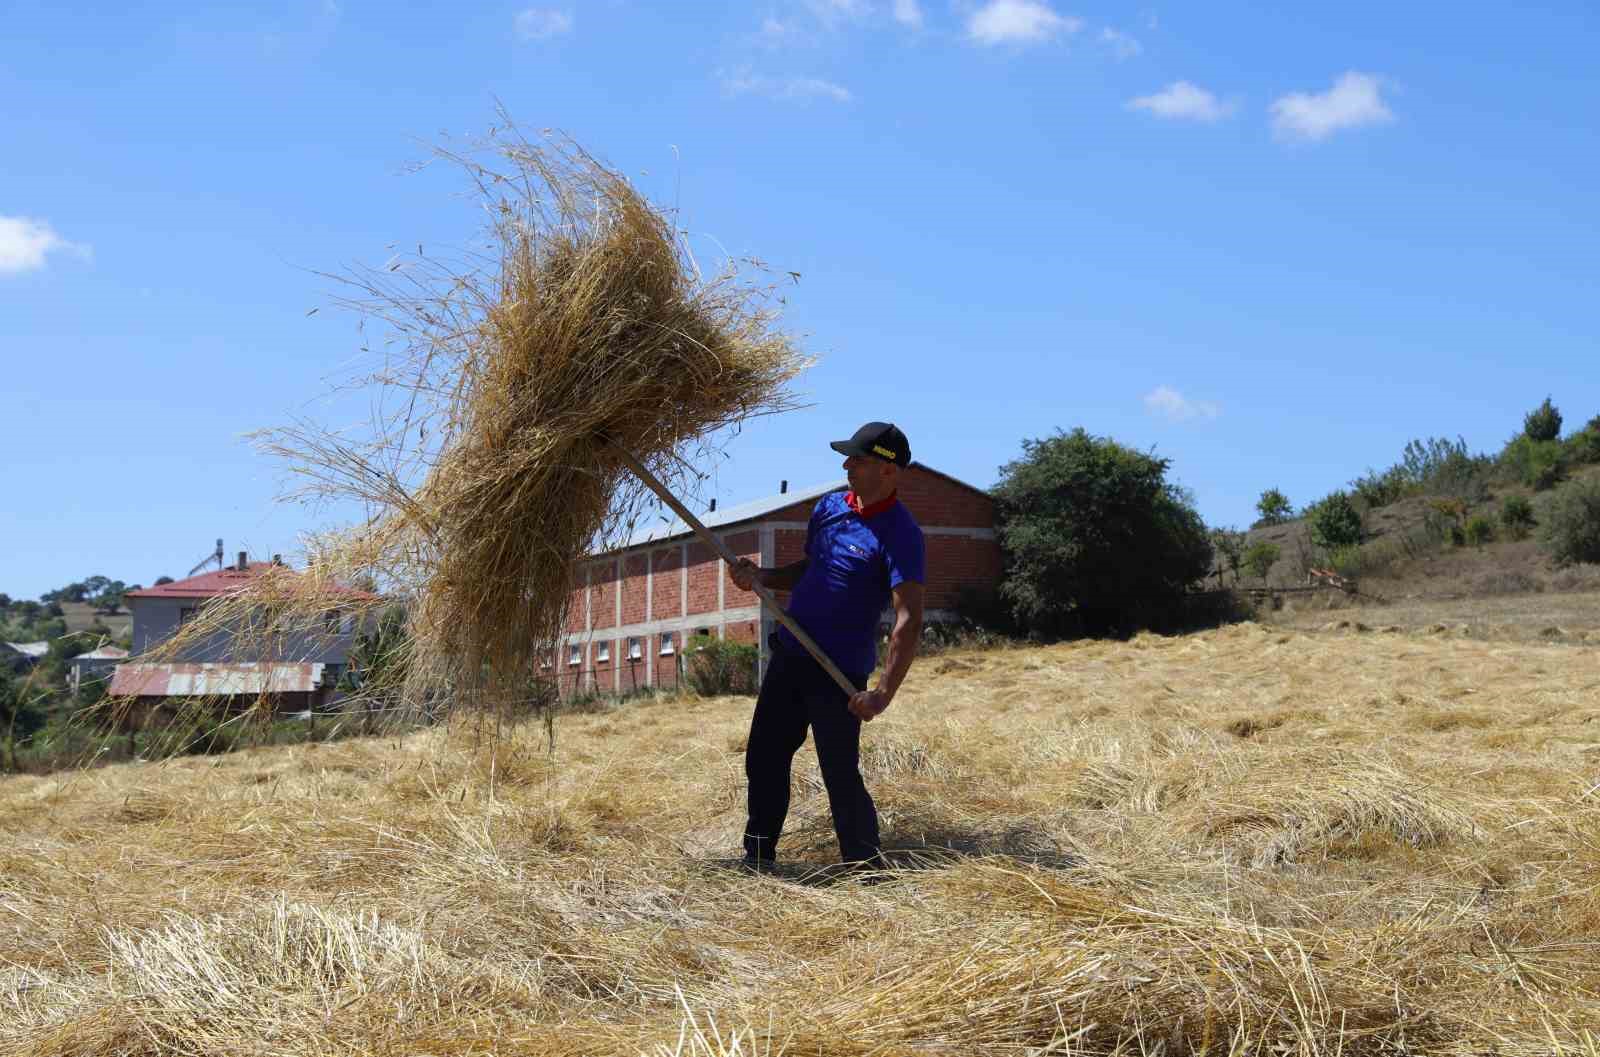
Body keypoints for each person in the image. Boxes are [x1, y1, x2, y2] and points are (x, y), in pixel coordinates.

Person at [729, 421, 926, 871]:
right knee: (764, 757)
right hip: (792, 654)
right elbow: (810, 569)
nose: (846, 465)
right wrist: (762, 578)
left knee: (838, 772)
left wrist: (882, 692)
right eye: (849, 457)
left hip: (839, 673)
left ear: (888, 470)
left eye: (858, 459)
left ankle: (864, 867)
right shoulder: (830, 508)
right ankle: (758, 857)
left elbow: (909, 619)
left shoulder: (901, 534)